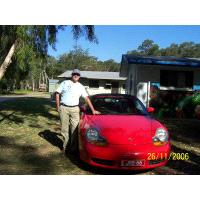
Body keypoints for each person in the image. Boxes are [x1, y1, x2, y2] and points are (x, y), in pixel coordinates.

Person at [55, 69, 100, 153]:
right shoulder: (65, 83)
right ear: (72, 75)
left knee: (75, 129)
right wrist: (58, 106)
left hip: (75, 109)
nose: (76, 75)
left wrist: (93, 110)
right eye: (74, 74)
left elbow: (86, 98)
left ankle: (73, 149)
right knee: (64, 129)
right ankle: (65, 146)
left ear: (79, 77)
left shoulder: (80, 86)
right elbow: (57, 93)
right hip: (64, 108)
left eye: (77, 74)